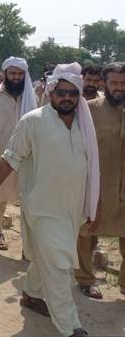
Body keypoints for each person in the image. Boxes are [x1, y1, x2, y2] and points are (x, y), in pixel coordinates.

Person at [0, 63, 97, 337]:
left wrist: (92, 204)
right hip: (42, 208)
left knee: (48, 259)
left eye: (72, 94)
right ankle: (69, 325)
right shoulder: (33, 120)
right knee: (60, 265)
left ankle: (31, 294)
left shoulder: (83, 125)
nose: (67, 98)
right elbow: (10, 159)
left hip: (72, 209)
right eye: (61, 93)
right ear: (52, 92)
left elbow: (93, 170)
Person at [75, 62, 125, 299]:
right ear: (104, 83)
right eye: (114, 82)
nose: (119, 88)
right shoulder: (89, 109)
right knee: (87, 235)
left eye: (124, 83)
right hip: (96, 184)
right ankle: (85, 279)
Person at [0, 56, 36, 250]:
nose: (16, 77)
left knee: (27, 194)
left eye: (20, 74)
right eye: (13, 73)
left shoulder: (30, 96)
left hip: (26, 154)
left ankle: (30, 241)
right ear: (5, 74)